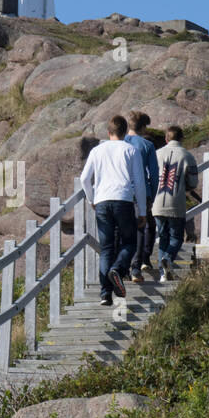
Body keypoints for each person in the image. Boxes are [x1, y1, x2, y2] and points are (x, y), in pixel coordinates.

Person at [80, 115, 147, 303]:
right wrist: (142, 211)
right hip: (123, 200)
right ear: (125, 132)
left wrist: (91, 199)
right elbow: (140, 184)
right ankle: (118, 269)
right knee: (130, 242)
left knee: (107, 247)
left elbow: (84, 179)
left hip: (102, 201)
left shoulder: (97, 151)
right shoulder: (131, 150)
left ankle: (105, 293)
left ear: (108, 132)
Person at [152, 125, 199, 280]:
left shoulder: (156, 154)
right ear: (182, 139)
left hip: (157, 202)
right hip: (176, 203)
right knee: (176, 238)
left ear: (166, 138)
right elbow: (193, 183)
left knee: (163, 237)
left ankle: (162, 274)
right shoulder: (187, 156)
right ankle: (168, 258)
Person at [125, 110, 159, 282]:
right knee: (143, 227)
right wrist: (152, 194)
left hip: (121, 192)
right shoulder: (147, 145)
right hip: (141, 192)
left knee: (122, 230)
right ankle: (138, 264)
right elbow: (153, 173)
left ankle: (121, 267)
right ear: (144, 127)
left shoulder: (119, 143)